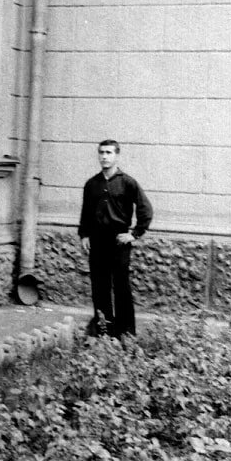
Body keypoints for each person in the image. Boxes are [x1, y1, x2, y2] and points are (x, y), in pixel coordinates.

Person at [79, 139, 153, 338]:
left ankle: (126, 333)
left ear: (117, 156)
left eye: (109, 152)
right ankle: (103, 331)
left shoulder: (128, 182)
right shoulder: (92, 184)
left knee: (121, 287)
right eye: (101, 152)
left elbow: (146, 210)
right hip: (97, 241)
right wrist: (84, 234)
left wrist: (134, 234)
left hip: (119, 240)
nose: (104, 156)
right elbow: (86, 212)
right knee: (99, 286)